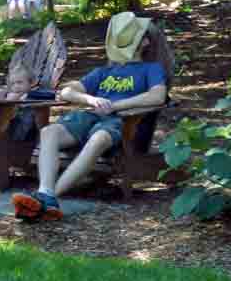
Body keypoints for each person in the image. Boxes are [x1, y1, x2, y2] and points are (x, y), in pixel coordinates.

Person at [11, 12, 167, 221]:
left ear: (146, 43)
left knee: (98, 139)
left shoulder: (151, 69)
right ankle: (45, 192)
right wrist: (91, 99)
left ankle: (47, 198)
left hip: (121, 119)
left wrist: (115, 106)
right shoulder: (103, 72)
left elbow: (158, 96)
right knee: (48, 132)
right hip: (90, 115)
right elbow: (66, 92)